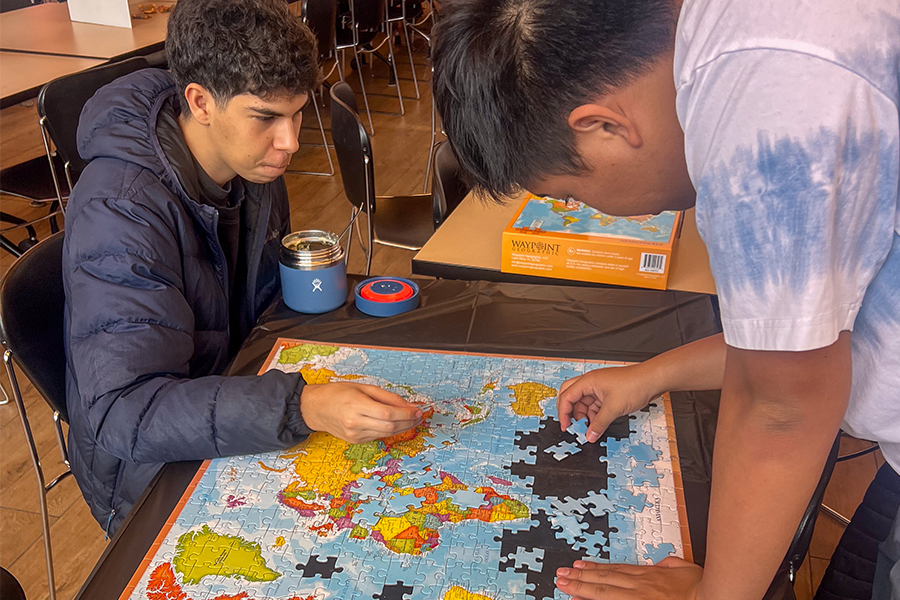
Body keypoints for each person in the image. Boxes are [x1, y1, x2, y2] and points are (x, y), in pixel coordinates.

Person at [432, 0, 899, 599]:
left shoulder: (766, 103)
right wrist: (651, 376)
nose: (585, 210)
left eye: (570, 194)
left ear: (604, 124)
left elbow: (784, 404)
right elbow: (794, 349)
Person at [63, 0, 423, 538]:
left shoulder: (250, 164)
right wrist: (301, 405)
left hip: (237, 391)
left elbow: (265, 307)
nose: (291, 142)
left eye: (298, 112)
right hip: (147, 471)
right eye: (266, 117)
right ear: (200, 102)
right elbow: (126, 413)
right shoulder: (118, 213)